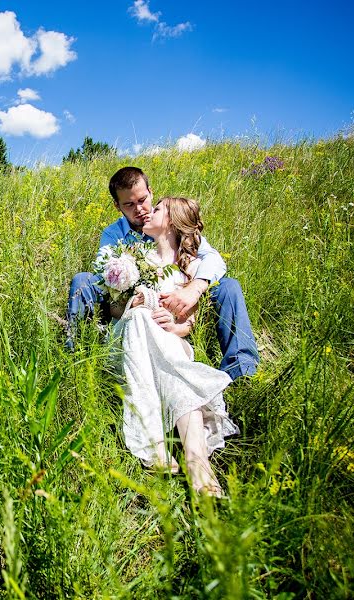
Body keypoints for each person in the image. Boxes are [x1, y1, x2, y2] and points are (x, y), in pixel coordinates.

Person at [67, 167, 259, 381]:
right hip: (131, 304)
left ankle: (242, 371)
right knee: (84, 281)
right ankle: (77, 362)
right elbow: (104, 272)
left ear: (150, 191)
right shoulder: (114, 233)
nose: (139, 209)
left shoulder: (170, 219)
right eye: (129, 205)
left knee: (228, 286)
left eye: (143, 199)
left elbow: (213, 258)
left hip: (180, 303)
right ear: (117, 206)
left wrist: (194, 289)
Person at [110, 196, 239, 496]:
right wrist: (138, 302)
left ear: (172, 222)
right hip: (130, 341)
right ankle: (165, 450)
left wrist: (176, 326)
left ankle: (198, 468)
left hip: (167, 345)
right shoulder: (132, 256)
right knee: (141, 320)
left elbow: (188, 323)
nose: (148, 213)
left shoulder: (191, 267)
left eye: (156, 210)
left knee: (176, 374)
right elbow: (116, 309)